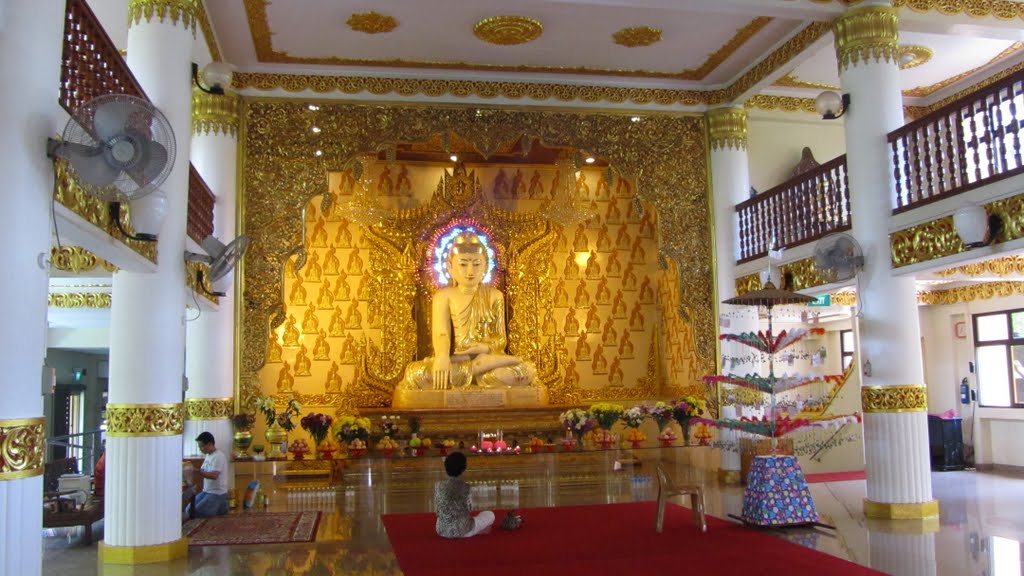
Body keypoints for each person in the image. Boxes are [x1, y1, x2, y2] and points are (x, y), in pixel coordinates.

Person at [400, 231, 537, 390]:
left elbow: (500, 339)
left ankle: (481, 366)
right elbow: (441, 333)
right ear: (450, 267)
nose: (470, 271)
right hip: (456, 360)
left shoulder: (495, 296)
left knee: (522, 372)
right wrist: (442, 357)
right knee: (415, 374)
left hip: (489, 360)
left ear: (485, 266)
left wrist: (483, 348)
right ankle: (477, 368)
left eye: (477, 264)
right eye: (463, 264)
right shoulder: (443, 296)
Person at [435, 452, 494, 538]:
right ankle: (477, 531)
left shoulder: (438, 486)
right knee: (490, 515)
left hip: (442, 531)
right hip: (464, 531)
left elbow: (438, 510)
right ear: (463, 469)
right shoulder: (466, 487)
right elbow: (469, 508)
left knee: (441, 518)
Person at [187, 432, 229, 518]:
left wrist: (198, 472)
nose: (200, 449)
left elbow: (214, 476)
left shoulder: (219, 456)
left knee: (197, 513)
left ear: (210, 444)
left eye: (201, 446)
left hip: (217, 494)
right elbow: (203, 470)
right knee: (189, 510)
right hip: (206, 491)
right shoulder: (208, 456)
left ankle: (221, 507)